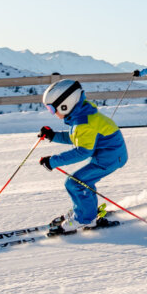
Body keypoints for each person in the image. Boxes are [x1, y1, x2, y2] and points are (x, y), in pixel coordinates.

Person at [38, 79, 128, 234]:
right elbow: (77, 138)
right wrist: (53, 136)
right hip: (108, 155)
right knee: (82, 182)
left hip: (110, 158)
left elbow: (82, 151)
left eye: (52, 109)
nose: (52, 113)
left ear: (65, 104)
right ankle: (85, 211)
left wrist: (53, 161)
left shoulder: (83, 122)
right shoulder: (81, 116)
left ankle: (86, 219)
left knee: (75, 183)